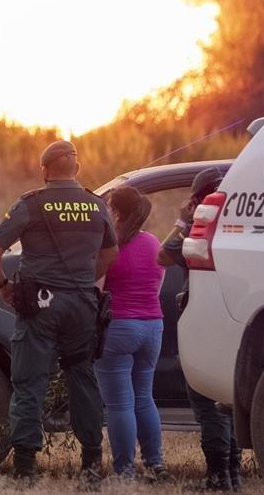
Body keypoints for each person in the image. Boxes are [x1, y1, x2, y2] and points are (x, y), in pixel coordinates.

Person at [0, 140, 119, 486]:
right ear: (77, 168)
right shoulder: (96, 204)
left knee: (29, 382)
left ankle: (25, 469)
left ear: (45, 170)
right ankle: (91, 466)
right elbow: (111, 252)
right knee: (82, 379)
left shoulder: (31, 204)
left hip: (39, 305)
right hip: (82, 305)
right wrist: (87, 278)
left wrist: (2, 288)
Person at [157, 166, 243, 491]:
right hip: (235, 319)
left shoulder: (201, 227)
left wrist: (183, 219)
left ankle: (218, 477)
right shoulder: (243, 223)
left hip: (206, 320)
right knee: (229, 398)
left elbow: (163, 256)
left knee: (207, 401)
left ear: (197, 199)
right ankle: (232, 474)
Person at [94, 186, 170, 482]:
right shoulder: (153, 243)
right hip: (153, 326)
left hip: (119, 328)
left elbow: (96, 292)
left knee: (119, 404)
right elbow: (157, 286)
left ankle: (124, 471)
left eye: (108, 207)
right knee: (144, 397)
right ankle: (155, 464)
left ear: (116, 212)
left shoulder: (108, 247)